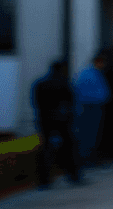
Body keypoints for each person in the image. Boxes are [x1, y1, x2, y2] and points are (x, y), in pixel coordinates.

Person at [32, 60, 81, 188]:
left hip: (45, 120)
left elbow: (36, 102)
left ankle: (44, 180)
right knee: (68, 148)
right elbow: (71, 102)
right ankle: (73, 175)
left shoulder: (40, 83)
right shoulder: (63, 83)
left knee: (46, 148)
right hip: (61, 120)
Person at [73, 53, 111, 166]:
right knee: (90, 133)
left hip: (91, 107)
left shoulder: (87, 73)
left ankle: (88, 157)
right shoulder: (91, 74)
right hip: (91, 107)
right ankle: (87, 158)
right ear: (98, 62)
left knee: (90, 133)